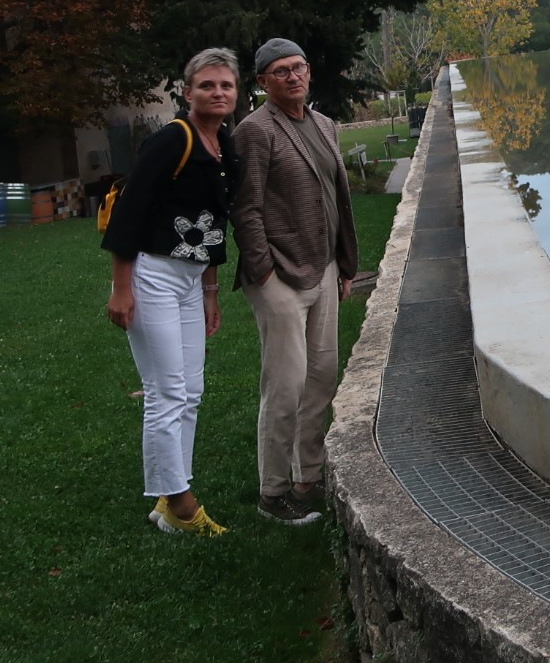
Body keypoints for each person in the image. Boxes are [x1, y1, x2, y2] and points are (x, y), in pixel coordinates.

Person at [101, 48, 241, 537]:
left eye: (225, 85)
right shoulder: (170, 141)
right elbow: (128, 213)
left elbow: (214, 226)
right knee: (166, 393)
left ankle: (168, 495)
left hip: (189, 279)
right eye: (207, 85)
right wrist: (122, 288)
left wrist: (210, 290)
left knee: (193, 391)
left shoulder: (224, 145)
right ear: (188, 92)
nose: (217, 92)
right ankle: (182, 506)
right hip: (152, 274)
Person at [234, 38, 358, 525]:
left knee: (322, 376)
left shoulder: (324, 124)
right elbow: (245, 206)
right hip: (279, 277)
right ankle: (273, 491)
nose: (293, 76)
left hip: (324, 268)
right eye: (281, 71)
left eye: (299, 67)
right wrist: (264, 269)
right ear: (263, 82)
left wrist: (344, 265)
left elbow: (338, 197)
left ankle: (308, 473)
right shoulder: (254, 131)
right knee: (285, 386)